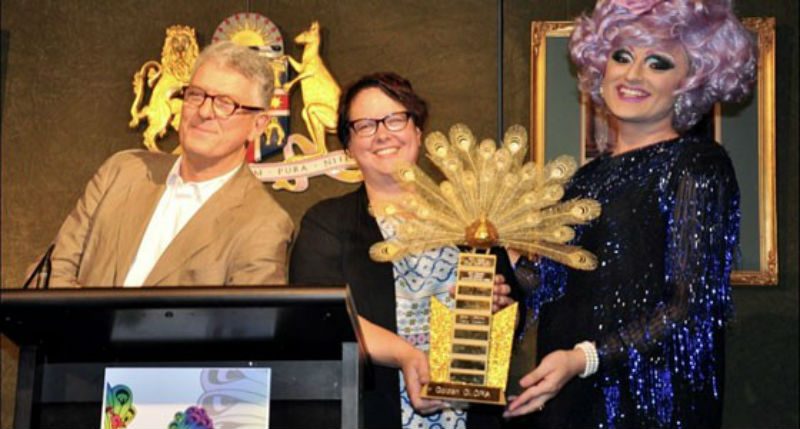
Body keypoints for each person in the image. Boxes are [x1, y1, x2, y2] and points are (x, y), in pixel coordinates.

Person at [504, 0, 756, 428]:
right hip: (569, 396)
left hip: (650, 404)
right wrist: (504, 261)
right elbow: (558, 286)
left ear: (690, 81)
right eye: (622, 56)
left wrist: (586, 358)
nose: (632, 75)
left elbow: (691, 306)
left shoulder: (697, 165)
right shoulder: (585, 179)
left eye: (657, 63)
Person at [290, 72, 519, 429]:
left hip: (471, 414)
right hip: (372, 410)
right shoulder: (327, 223)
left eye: (396, 119)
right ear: (348, 146)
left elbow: (510, 315)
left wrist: (498, 304)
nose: (383, 133)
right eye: (365, 125)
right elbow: (319, 316)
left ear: (418, 130)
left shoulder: (472, 216)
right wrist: (406, 355)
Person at [44, 41, 293, 287]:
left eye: (225, 103)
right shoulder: (122, 171)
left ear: (258, 125)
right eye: (196, 95)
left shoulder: (263, 224)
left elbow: (241, 325)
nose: (204, 112)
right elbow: (51, 270)